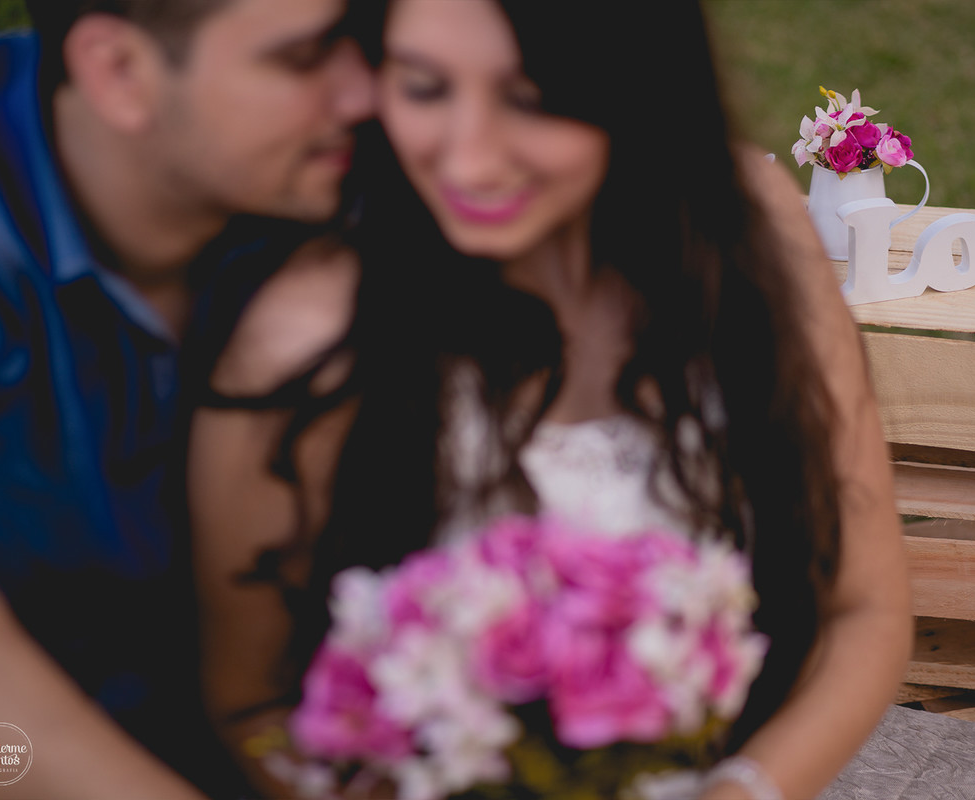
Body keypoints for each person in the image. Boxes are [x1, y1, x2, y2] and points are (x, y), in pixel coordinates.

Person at [187, 0, 915, 797]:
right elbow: (248, 701)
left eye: (530, 99)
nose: (469, 161)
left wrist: (742, 789)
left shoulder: (753, 240)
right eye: (424, 87)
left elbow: (866, 612)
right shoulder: (308, 342)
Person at [0, 1, 373, 797]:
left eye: (365, 37)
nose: (363, 94)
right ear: (120, 73)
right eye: (304, 58)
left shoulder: (344, 164)